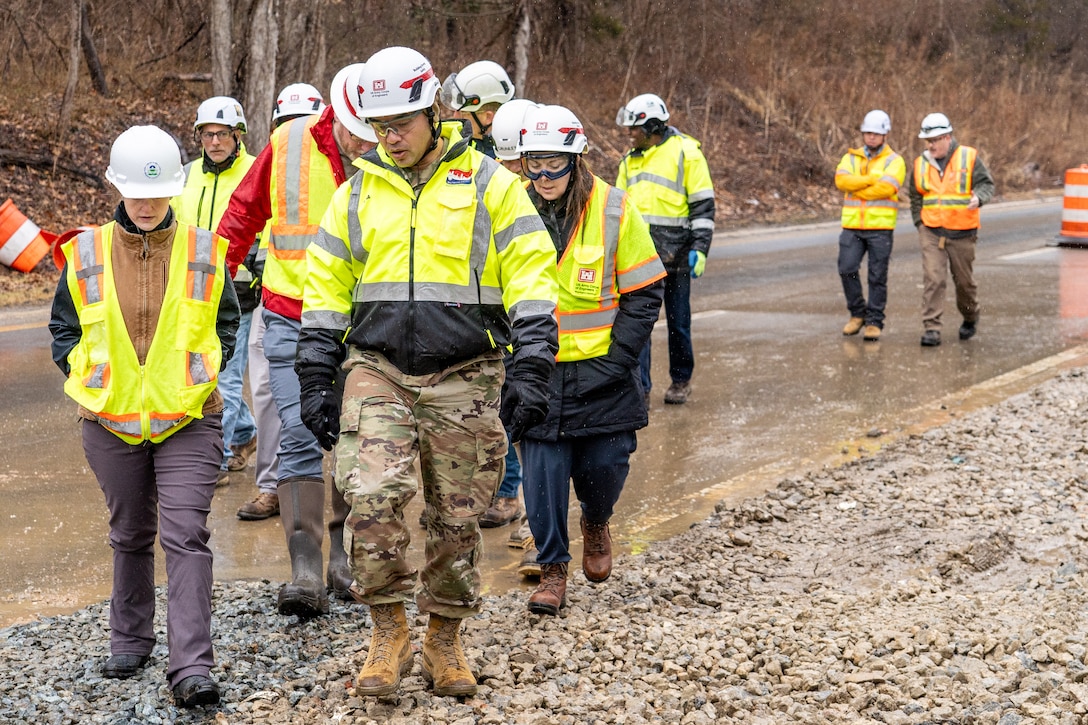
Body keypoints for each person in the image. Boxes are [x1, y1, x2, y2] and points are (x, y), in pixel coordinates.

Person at [296, 46, 559, 698]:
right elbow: (325, 284)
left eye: (402, 122)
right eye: (379, 124)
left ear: (434, 111)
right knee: (373, 495)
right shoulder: (356, 193)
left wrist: (532, 364)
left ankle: (444, 635)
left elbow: (531, 272)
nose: (390, 136)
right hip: (377, 367)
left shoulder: (492, 185)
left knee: (456, 514)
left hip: (466, 373)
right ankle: (388, 630)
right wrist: (314, 370)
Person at [48, 125, 238, 708]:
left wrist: (200, 373)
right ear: (117, 187)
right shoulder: (85, 251)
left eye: (158, 194)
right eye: (137, 193)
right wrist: (92, 375)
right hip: (110, 421)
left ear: (175, 190)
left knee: (186, 535)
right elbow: (63, 329)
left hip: (189, 417)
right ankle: (129, 638)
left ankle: (191, 667)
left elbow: (225, 324)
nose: (148, 205)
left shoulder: (204, 249)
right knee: (130, 534)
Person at [216, 63, 375, 616]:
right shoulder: (288, 142)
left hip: (360, 323)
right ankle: (305, 568)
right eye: (360, 132)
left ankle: (345, 562)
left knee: (357, 439)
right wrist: (209, 284)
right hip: (288, 317)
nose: (367, 143)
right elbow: (243, 212)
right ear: (339, 116)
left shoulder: (393, 159)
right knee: (300, 433)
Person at [517, 104, 665, 616]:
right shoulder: (511, 210)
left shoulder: (614, 208)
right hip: (538, 371)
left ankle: (597, 521)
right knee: (542, 477)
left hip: (605, 375)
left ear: (576, 160)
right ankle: (552, 569)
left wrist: (617, 361)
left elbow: (645, 294)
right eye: (532, 163)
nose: (542, 175)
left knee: (605, 469)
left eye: (553, 163)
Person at [235, 84, 327, 522]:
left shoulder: (363, 149)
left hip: (345, 312)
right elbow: (246, 215)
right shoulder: (279, 151)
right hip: (279, 304)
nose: (292, 129)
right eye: (283, 121)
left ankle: (348, 542)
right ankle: (272, 487)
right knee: (275, 403)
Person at [174, 96, 259, 487]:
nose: (214, 142)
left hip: (238, 293)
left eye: (222, 134)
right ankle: (243, 434)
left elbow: (269, 225)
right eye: (207, 134)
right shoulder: (186, 175)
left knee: (222, 375)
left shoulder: (255, 171)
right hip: (193, 292)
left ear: (237, 134)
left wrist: (259, 272)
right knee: (201, 372)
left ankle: (219, 459)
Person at [616, 93, 715, 405]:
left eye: (634, 129)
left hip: (678, 255)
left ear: (653, 126)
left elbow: (702, 206)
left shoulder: (687, 152)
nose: (629, 134)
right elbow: (616, 210)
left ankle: (681, 380)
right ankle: (640, 389)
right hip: (639, 257)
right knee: (638, 328)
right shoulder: (628, 161)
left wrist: (700, 248)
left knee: (678, 323)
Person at [489, 96, 544, 575]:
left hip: (548, 332)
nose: (514, 174)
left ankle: (537, 529)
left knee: (542, 434)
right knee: (516, 426)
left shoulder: (565, 197)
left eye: (519, 164)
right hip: (507, 330)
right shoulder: (498, 192)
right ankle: (524, 515)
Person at [908, 112, 996, 347]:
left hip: (962, 231)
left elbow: (986, 184)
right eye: (927, 141)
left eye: (934, 140)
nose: (930, 145)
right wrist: (920, 223)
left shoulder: (969, 157)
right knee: (933, 279)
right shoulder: (920, 163)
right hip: (932, 231)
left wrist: (980, 198)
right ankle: (932, 328)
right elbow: (915, 196)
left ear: (947, 137)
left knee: (964, 283)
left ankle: (970, 315)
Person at [834, 109, 906, 342]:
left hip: (880, 228)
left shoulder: (895, 161)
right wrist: (869, 180)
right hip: (853, 226)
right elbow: (841, 180)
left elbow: (887, 188)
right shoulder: (851, 157)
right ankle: (857, 314)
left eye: (876, 133)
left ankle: (875, 320)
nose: (871, 137)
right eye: (867, 133)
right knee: (847, 268)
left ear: (885, 135)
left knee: (877, 276)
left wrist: (857, 187)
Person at [440, 59, 515, 158]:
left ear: (488, 117)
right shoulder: (462, 145)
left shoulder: (513, 157)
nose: (455, 116)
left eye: (462, 112)